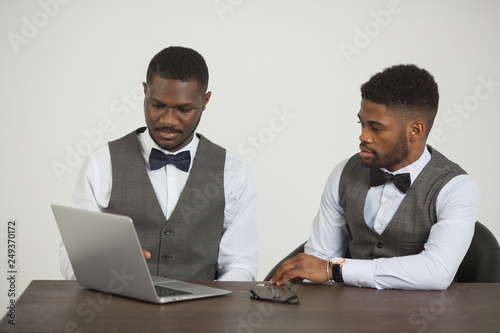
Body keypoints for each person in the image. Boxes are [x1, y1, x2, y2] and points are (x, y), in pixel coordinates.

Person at [270, 64, 481, 290]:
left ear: (415, 131)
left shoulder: (456, 187)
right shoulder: (345, 172)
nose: (363, 136)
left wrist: (337, 270)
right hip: (347, 315)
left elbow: (437, 271)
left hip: (425, 318)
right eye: (361, 123)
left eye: (376, 128)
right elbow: (319, 258)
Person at [59, 46, 259, 281]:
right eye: (157, 105)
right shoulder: (101, 164)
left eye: (184, 109)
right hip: (119, 310)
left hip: (202, 313)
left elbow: (240, 264)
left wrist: (211, 309)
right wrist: (107, 271)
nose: (168, 120)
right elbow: (74, 255)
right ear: (144, 92)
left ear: (205, 101)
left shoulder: (234, 172)